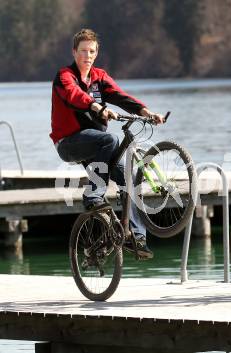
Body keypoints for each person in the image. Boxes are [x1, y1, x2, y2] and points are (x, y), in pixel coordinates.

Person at [50, 29, 165, 258]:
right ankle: (93, 194)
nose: (87, 55)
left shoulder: (100, 77)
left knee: (129, 179)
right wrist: (98, 108)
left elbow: (121, 97)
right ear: (74, 52)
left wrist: (146, 112)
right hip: (69, 143)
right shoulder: (64, 77)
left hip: (97, 146)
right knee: (110, 139)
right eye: (83, 51)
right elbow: (75, 96)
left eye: (92, 51)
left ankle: (135, 237)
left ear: (97, 52)